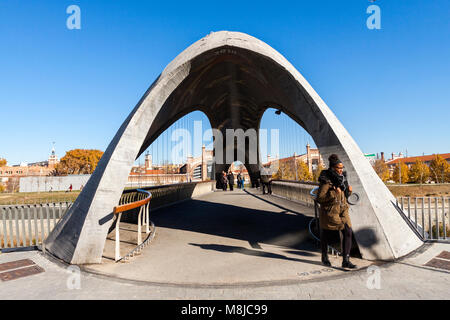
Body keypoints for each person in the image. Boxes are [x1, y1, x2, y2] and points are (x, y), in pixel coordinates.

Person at [316, 154, 356, 269]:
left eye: (342, 168)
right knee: (326, 234)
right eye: (339, 168)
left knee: (348, 232)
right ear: (333, 168)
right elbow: (320, 198)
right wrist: (334, 193)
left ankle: (346, 260)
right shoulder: (326, 180)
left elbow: (345, 196)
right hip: (330, 212)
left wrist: (349, 192)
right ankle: (324, 257)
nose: (341, 170)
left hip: (343, 210)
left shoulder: (343, 178)